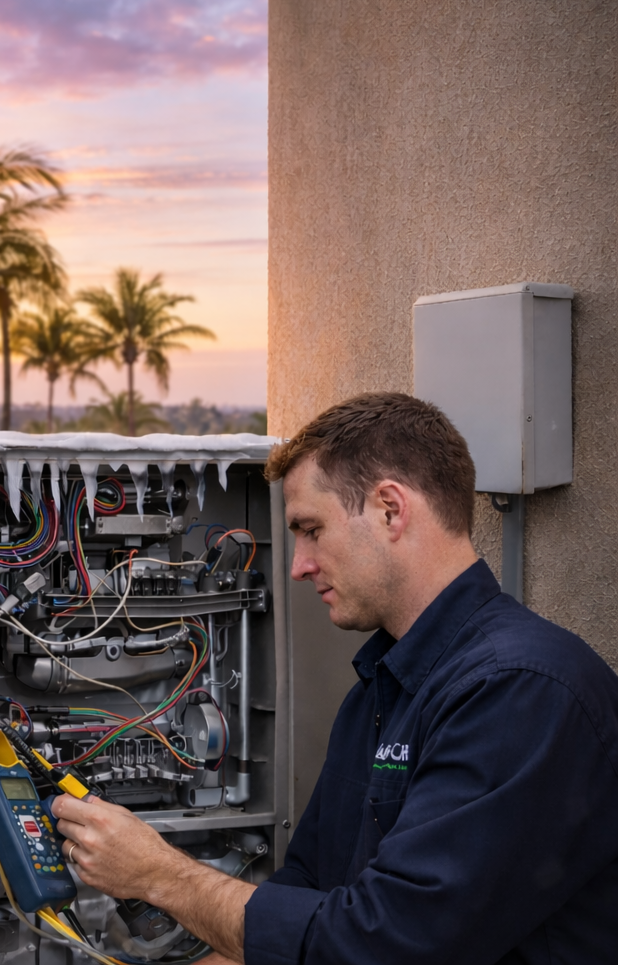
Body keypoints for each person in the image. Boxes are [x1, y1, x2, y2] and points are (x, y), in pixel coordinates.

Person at [53, 392, 618, 965]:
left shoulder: (519, 691)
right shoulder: (380, 688)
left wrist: (160, 877)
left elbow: (382, 945)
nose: (296, 565)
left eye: (310, 529)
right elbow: (307, 888)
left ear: (391, 509)